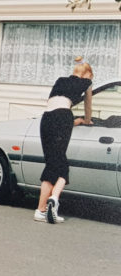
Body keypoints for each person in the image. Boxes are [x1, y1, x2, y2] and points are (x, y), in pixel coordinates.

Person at [35, 57, 94, 224]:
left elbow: (56, 106)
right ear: (88, 74)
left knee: (51, 162)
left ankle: (40, 210)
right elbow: (87, 107)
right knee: (62, 165)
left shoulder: (60, 80)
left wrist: (74, 121)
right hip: (63, 118)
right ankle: (54, 198)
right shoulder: (87, 83)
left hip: (46, 118)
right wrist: (86, 120)